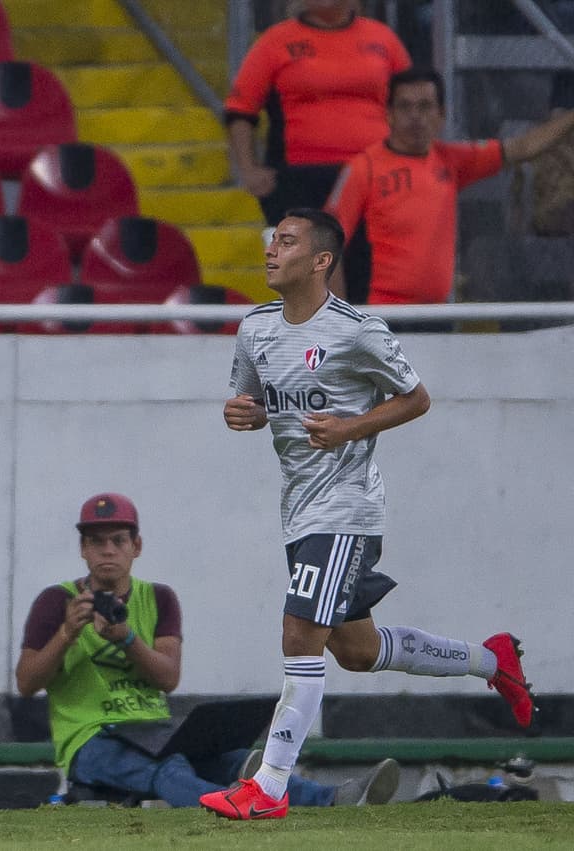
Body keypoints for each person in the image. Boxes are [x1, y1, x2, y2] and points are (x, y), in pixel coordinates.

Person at [202, 208, 534, 821]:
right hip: (297, 510)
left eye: (287, 241)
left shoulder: (358, 330)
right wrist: (244, 415)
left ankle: (268, 787)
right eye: (272, 240)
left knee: (299, 632)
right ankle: (493, 661)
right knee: (355, 650)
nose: (272, 250)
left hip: (346, 508)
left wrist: (351, 427)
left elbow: (417, 398)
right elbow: (252, 403)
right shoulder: (255, 329)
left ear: (321, 260)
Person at [15, 492, 400, 810]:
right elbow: (27, 683)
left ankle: (334, 799)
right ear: (83, 549)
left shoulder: (158, 598)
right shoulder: (57, 601)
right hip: (89, 739)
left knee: (233, 760)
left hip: (153, 729)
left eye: (118, 540)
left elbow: (168, 677)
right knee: (170, 768)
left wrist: (126, 639)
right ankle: (236, 810)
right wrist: (67, 631)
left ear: (137, 546)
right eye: (97, 542)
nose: (108, 552)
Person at [325, 67, 574, 306]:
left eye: (424, 107)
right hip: (386, 315)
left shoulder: (452, 161)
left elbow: (522, 148)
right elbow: (326, 242)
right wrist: (339, 319)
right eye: (405, 107)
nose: (415, 116)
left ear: (441, 115)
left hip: (438, 313)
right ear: (388, 114)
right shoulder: (363, 168)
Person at [225, 0, 411, 227]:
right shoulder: (275, 41)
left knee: (370, 261)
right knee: (312, 260)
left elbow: (413, 102)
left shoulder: (382, 38)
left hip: (375, 175)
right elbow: (240, 109)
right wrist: (248, 169)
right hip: (298, 180)